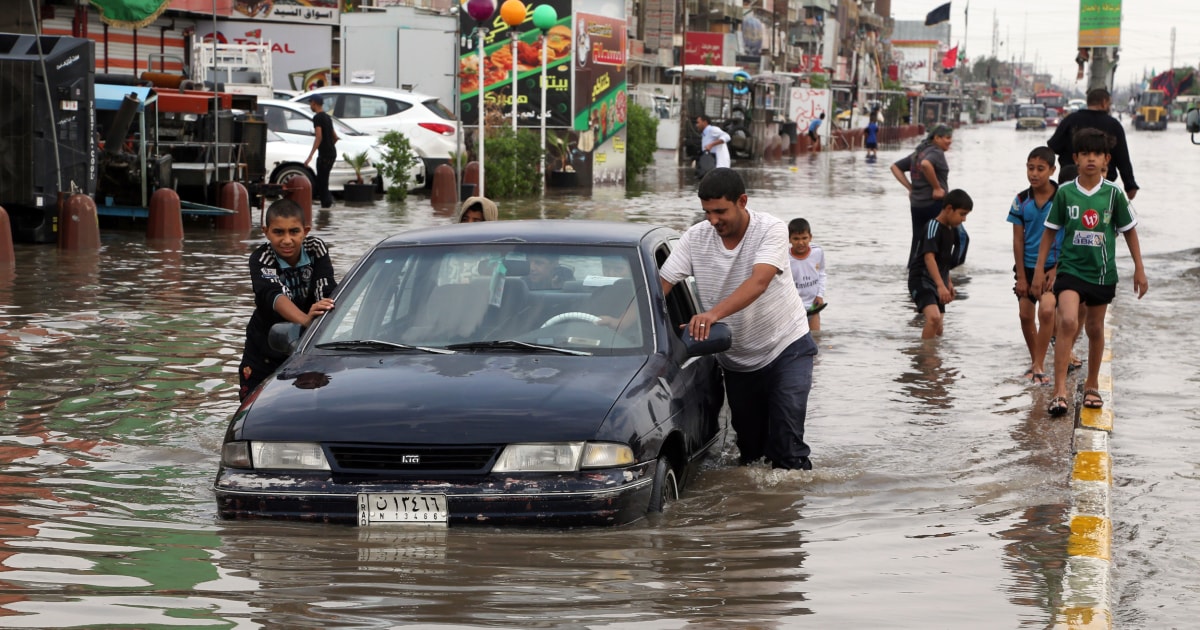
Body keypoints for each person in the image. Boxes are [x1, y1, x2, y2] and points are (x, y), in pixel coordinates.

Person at [659, 168, 818, 470]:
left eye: (720, 211)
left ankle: (791, 511)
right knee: (751, 454)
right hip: (737, 362)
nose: (713, 220)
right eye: (706, 212)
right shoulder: (695, 238)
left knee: (787, 446)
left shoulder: (771, 229)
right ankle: (754, 514)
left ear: (742, 201)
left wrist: (711, 315)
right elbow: (660, 286)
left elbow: (759, 281)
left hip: (787, 348)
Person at [1032, 128, 1148, 417]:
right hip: (1070, 269)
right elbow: (1049, 234)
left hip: (1102, 273)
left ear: (1106, 159)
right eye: (1085, 154)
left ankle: (1092, 385)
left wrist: (1139, 269)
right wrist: (1038, 270)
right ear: (1076, 158)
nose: (1090, 159)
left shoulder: (1113, 194)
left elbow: (1130, 232)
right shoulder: (1065, 193)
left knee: (1095, 329)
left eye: (1096, 154)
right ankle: (1059, 391)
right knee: (1068, 321)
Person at [239, 199, 337, 401]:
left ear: (305, 230)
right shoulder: (261, 258)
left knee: (311, 404)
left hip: (308, 345)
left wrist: (319, 322)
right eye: (278, 232)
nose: (286, 240)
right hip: (263, 351)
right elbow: (274, 295)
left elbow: (325, 290)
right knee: (254, 408)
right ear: (266, 232)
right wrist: (306, 320)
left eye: (294, 231)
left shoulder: (316, 248)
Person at [1008, 147, 1063, 385]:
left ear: (1052, 170)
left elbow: (1070, 236)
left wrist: (1056, 269)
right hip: (1027, 268)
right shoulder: (1021, 201)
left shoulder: (1063, 198)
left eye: (1041, 169)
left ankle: (1040, 363)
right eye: (1030, 168)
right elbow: (1018, 239)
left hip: (1053, 267)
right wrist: (1021, 275)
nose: (1034, 174)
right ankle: (1035, 362)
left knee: (1048, 310)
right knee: (1025, 314)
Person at [1047, 87, 1139, 200]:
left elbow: (1053, 147)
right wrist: (1130, 186)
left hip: (1070, 185)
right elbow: (1123, 158)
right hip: (1103, 188)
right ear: (1104, 103)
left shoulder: (1070, 120)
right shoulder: (1113, 125)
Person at [908, 189, 973, 340]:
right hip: (921, 280)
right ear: (949, 209)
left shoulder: (951, 230)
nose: (964, 219)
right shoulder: (933, 226)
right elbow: (929, 258)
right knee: (934, 318)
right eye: (962, 214)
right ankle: (925, 358)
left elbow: (943, 261)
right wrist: (940, 286)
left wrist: (948, 282)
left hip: (938, 280)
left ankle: (931, 356)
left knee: (938, 329)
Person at [891, 124, 953, 263]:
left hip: (917, 205)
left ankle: (913, 272)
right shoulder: (936, 152)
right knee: (938, 241)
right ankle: (939, 275)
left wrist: (911, 188)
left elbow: (895, 167)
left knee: (918, 240)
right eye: (947, 138)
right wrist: (937, 188)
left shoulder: (919, 152)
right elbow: (926, 164)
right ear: (936, 138)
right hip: (934, 204)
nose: (950, 141)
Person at [787, 218, 827, 332]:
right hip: (792, 309)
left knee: (816, 338)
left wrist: (820, 295)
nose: (801, 243)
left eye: (804, 238)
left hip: (813, 306)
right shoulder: (785, 257)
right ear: (789, 239)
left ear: (810, 237)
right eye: (796, 239)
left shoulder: (818, 252)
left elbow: (822, 274)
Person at [304, 94, 338, 209]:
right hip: (332, 153)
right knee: (324, 180)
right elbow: (335, 137)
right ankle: (327, 205)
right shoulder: (328, 118)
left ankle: (326, 206)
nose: (310, 106)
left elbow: (319, 137)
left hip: (324, 155)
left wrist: (310, 156)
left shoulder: (317, 118)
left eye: (310, 103)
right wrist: (329, 146)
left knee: (321, 183)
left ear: (314, 103)